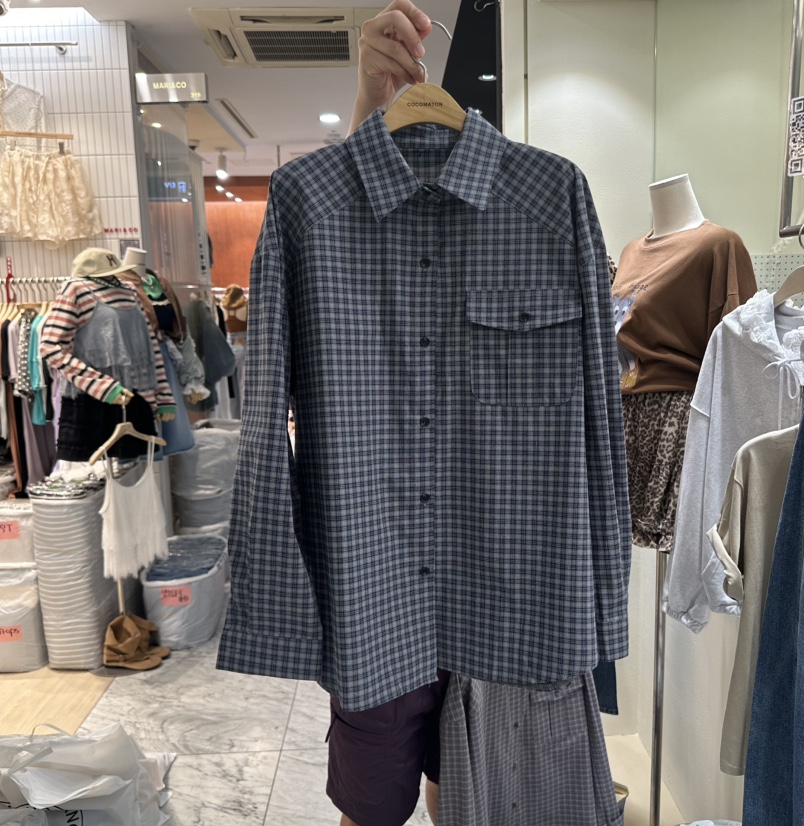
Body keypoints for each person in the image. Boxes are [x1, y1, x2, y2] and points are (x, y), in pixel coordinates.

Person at [327, 6, 448, 826]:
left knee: (468, 783)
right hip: (378, 583)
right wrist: (368, 108)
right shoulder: (331, 227)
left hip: (492, 578)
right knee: (371, 802)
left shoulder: (535, 214)